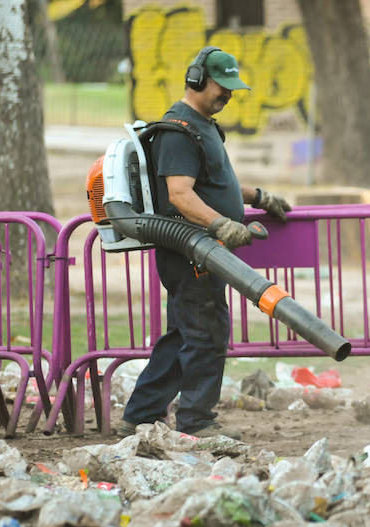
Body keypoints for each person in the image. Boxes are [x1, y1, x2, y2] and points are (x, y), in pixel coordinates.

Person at [116, 48, 291, 439]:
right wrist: (223, 225)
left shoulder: (202, 125)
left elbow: (214, 180)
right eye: (221, 86)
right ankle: (197, 421)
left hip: (201, 251)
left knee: (184, 336)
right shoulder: (178, 131)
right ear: (196, 79)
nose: (228, 94)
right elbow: (179, 194)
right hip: (192, 252)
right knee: (206, 334)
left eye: (232, 87)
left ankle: (140, 415)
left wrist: (257, 197)